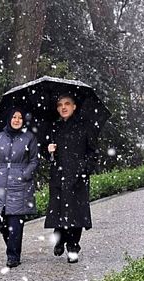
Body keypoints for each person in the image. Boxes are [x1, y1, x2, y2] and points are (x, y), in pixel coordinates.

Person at [44, 94, 98, 263]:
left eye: (67, 104)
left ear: (74, 107)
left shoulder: (84, 127)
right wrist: (49, 151)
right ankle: (60, 239)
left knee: (76, 215)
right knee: (59, 212)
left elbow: (93, 152)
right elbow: (48, 156)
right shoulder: (54, 127)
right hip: (59, 177)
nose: (63, 107)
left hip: (78, 178)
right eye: (60, 105)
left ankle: (73, 247)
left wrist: (84, 170)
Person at [0, 107, 39, 268]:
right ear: (9, 119)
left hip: (20, 183)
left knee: (15, 222)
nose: (17, 120)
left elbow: (33, 161)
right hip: (0, 181)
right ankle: (12, 244)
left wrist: (24, 175)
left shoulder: (29, 137)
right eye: (14, 117)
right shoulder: (0, 137)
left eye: (20, 117)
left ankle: (13, 256)